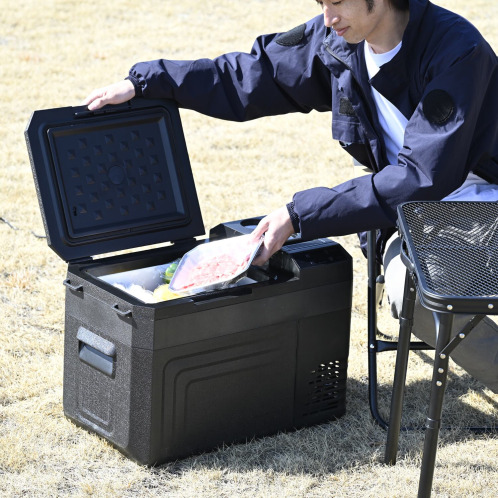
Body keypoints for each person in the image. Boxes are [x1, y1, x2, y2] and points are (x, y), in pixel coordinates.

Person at [84, 0, 498, 393]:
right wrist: (145, 83)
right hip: (408, 216)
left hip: (482, 206)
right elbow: (250, 75)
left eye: (338, 2)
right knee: (413, 291)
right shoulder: (337, 42)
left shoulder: (456, 50)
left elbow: (422, 176)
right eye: (321, 4)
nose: (328, 18)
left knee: (435, 290)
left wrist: (300, 214)